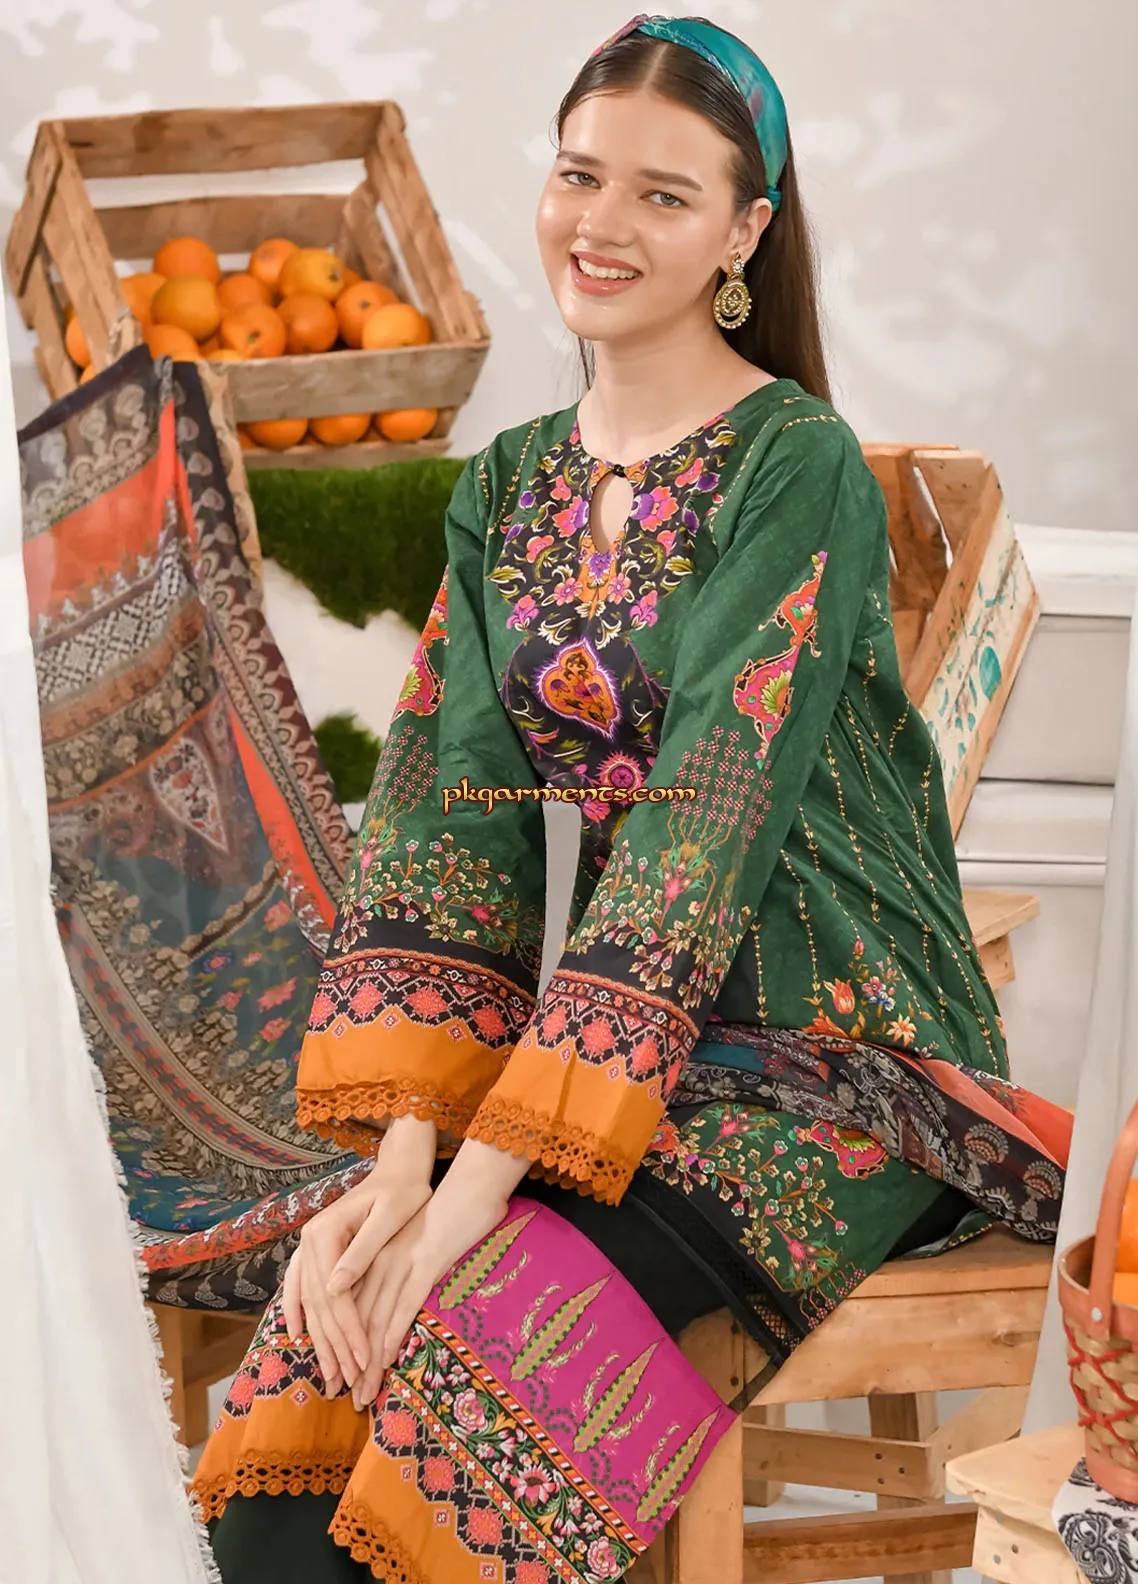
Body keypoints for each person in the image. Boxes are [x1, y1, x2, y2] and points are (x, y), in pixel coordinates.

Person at [194, 15, 1071, 1581]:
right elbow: (444, 818)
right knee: (309, 1372)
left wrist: (469, 1200)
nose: (600, 224)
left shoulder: (792, 464)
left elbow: (698, 833)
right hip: (606, 1061)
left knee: (468, 1356)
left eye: (663, 195)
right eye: (578, 175)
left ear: (743, 232)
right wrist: (402, 1169)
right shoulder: (506, 484)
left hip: (840, 1068)